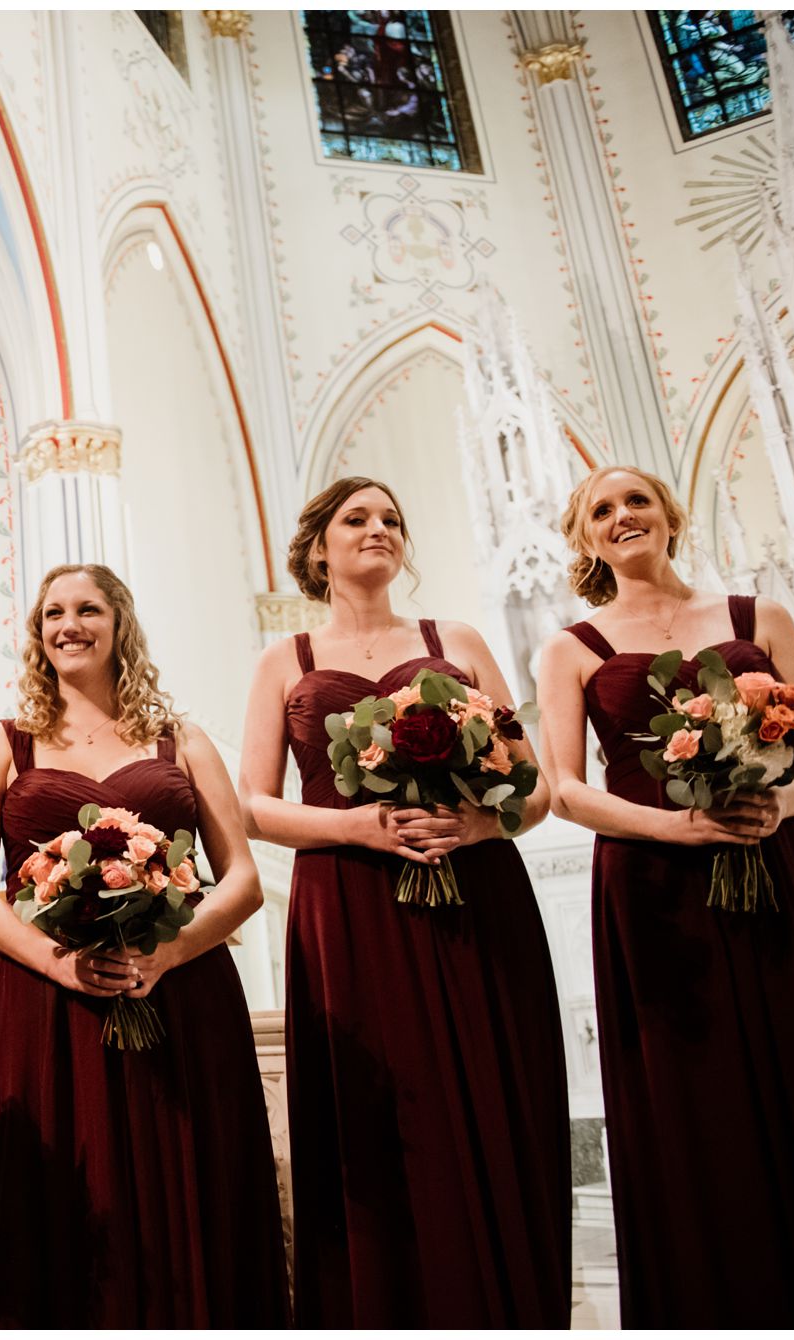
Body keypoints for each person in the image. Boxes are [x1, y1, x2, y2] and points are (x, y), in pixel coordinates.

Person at [237, 476, 569, 1326]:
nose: (379, 528)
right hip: (346, 907)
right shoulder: (288, 661)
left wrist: (476, 827)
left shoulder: (452, 638)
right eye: (358, 519)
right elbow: (251, 805)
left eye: (392, 517)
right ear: (319, 549)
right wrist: (359, 829)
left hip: (473, 891)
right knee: (383, 1116)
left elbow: (534, 788)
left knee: (490, 1097)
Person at [0, 563, 287, 1327]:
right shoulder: (5, 745)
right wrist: (56, 962)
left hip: (179, 991)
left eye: (88, 609)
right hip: (43, 1000)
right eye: (52, 614)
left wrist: (167, 953)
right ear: (37, 635)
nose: (68, 625)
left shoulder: (182, 739)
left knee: (187, 1175)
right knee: (69, 1194)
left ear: (119, 623)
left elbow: (240, 880)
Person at [537, 464, 794, 1327]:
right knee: (691, 1093)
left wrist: (778, 807)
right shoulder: (570, 649)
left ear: (669, 516)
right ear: (586, 538)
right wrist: (676, 830)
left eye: (637, 502)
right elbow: (563, 789)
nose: (623, 517)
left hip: (775, 865)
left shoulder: (757, 617)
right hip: (651, 886)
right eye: (602, 511)